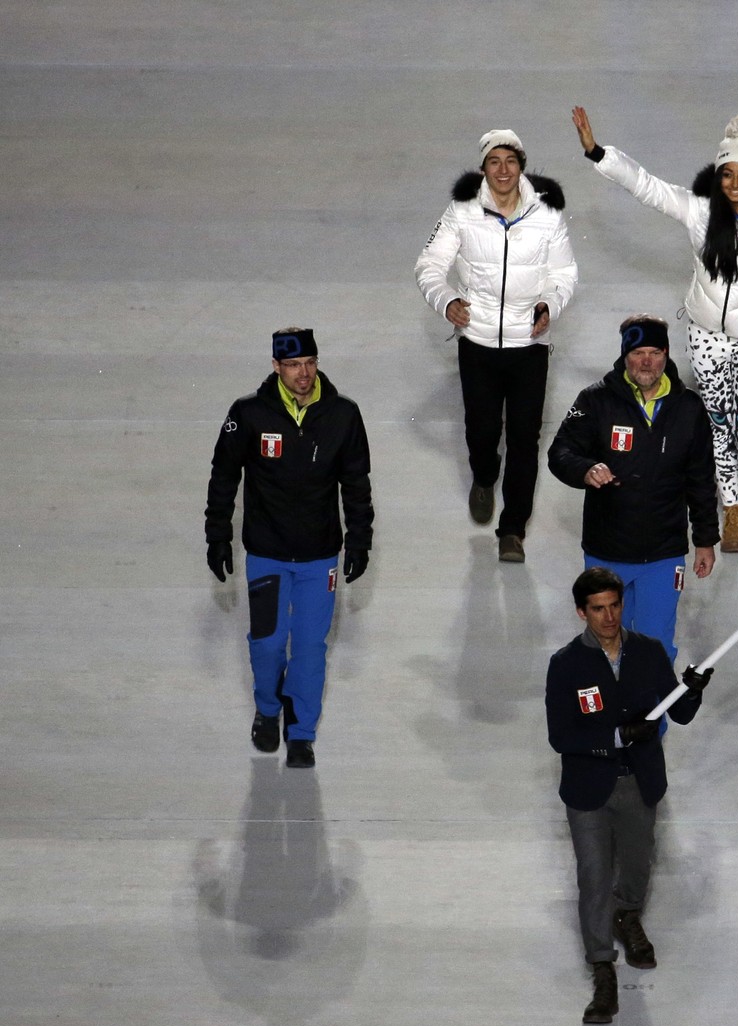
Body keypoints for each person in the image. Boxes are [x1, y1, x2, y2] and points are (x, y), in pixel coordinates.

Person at [572, 106, 738, 565]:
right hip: (706, 338)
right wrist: (598, 154)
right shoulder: (698, 213)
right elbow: (647, 186)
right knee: (719, 426)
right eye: (727, 174)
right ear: (717, 176)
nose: (735, 184)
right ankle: (731, 511)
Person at [546, 567, 713, 1024]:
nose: (608, 617)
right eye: (597, 609)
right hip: (589, 789)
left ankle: (627, 914)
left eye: (614, 606)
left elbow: (676, 713)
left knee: (639, 863)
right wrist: (617, 738)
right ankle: (602, 968)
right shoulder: (565, 665)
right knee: (594, 875)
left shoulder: (647, 652)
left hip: (639, 782)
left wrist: (692, 692)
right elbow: (561, 735)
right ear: (581, 612)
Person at [204, 328, 374, 769]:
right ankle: (268, 709)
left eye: (311, 363)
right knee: (267, 643)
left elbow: (356, 484)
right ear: (276, 367)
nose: (305, 373)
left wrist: (360, 539)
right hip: (267, 552)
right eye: (295, 365)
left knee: (312, 646)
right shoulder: (249, 414)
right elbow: (224, 475)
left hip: (320, 557)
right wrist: (217, 534)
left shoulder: (342, 414)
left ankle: (301, 732)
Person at [414, 129, 578, 563]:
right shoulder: (461, 211)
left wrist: (550, 305)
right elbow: (429, 265)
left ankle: (513, 530)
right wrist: (446, 300)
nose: (503, 170)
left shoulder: (548, 214)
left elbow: (565, 275)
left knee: (525, 439)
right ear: (483, 168)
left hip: (529, 344)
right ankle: (484, 476)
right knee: (483, 430)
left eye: (510, 161)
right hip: (479, 343)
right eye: (494, 161)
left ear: (521, 166)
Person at [548, 315, 719, 662]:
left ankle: (652, 719)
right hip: (606, 553)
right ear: (625, 355)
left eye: (655, 352)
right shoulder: (595, 401)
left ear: (667, 354)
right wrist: (585, 469)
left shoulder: (688, 409)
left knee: (655, 650)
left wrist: (704, 540)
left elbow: (701, 478)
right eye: (638, 352)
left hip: (664, 553)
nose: (646, 362)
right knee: (607, 649)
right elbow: (560, 452)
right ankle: (611, 718)